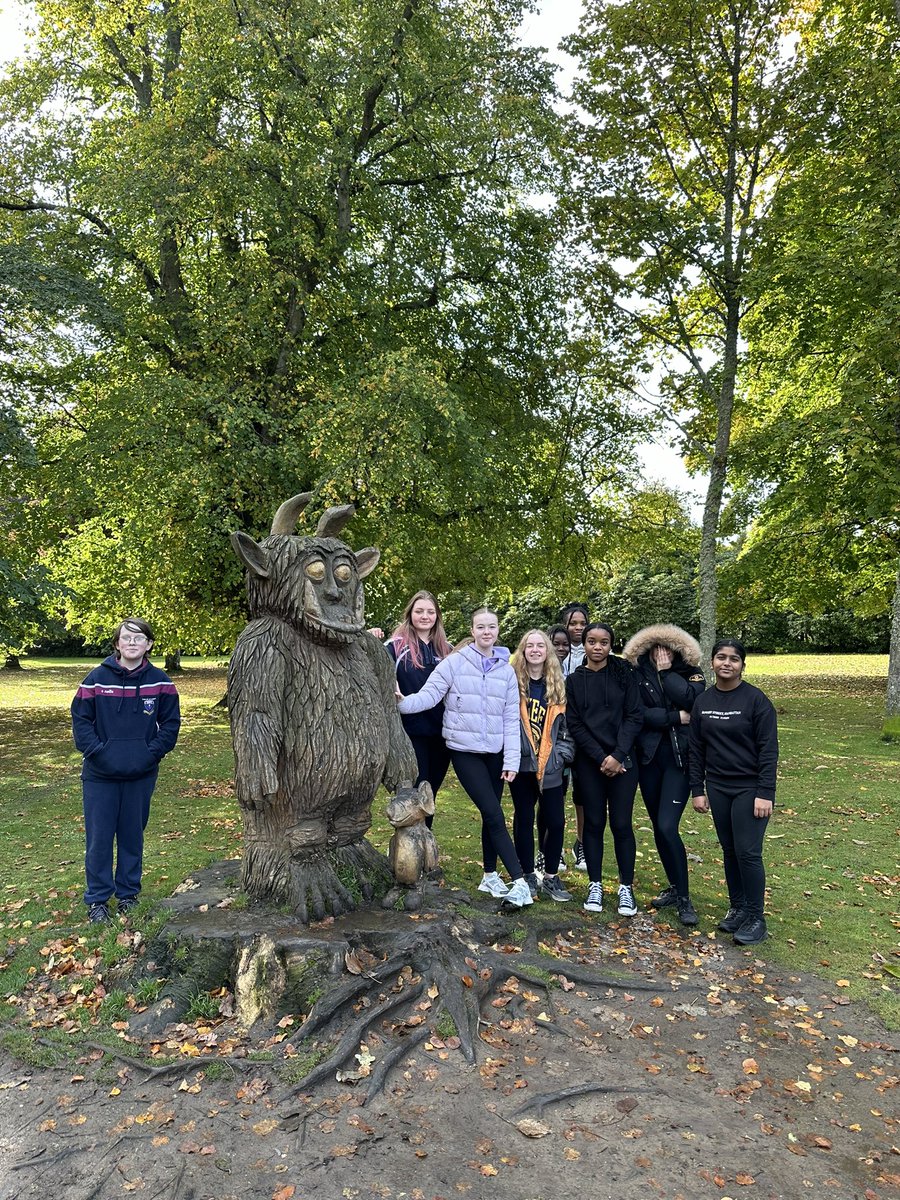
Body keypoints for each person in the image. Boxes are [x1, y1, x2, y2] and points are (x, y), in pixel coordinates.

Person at [397, 607, 532, 908]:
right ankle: (520, 882)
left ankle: (489, 875)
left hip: (496, 753)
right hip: (465, 751)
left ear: (498, 631)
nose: (486, 632)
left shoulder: (506, 670)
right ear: (472, 631)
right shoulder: (454, 664)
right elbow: (428, 696)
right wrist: (399, 703)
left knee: (491, 814)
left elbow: (511, 719)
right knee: (495, 814)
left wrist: (511, 760)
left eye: (492, 627)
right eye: (480, 627)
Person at [71, 618, 181, 924]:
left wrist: (151, 754)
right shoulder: (95, 680)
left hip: (140, 774)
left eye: (139, 638)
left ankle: (128, 895)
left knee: (133, 836)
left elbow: (171, 724)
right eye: (126, 638)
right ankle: (97, 901)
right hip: (100, 775)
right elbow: (81, 722)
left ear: (148, 645)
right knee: (99, 839)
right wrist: (99, 753)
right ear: (117, 644)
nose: (132, 643)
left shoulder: (162, 683)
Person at [689, 638, 778, 946]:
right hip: (718, 785)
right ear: (712, 662)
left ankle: (757, 918)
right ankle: (738, 907)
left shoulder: (756, 700)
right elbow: (696, 749)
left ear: (742, 665)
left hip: (750, 788)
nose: (727, 663)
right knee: (729, 851)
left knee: (748, 852)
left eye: (734, 659)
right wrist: (697, 790)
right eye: (721, 658)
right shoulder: (703, 701)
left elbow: (768, 750)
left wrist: (765, 792)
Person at [623, 623, 706, 926]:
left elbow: (693, 703)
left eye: (666, 649)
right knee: (659, 828)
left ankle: (684, 898)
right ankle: (674, 887)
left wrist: (666, 673)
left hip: (679, 761)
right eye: (655, 649)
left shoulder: (690, 673)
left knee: (668, 826)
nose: (660, 654)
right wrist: (674, 717)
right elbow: (638, 714)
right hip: (648, 760)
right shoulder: (637, 674)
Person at [565, 622, 643, 916]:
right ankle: (595, 884)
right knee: (594, 824)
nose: (598, 647)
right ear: (583, 645)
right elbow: (575, 724)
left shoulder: (624, 674)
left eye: (604, 642)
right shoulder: (574, 680)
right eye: (592, 642)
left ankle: (626, 888)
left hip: (624, 762)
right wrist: (601, 757)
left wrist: (617, 755)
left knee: (621, 824)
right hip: (590, 763)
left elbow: (634, 717)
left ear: (611, 645)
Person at [509, 630, 574, 902]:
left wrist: (559, 757)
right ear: (523, 651)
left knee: (555, 822)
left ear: (547, 651)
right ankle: (526, 875)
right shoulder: (512, 683)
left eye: (540, 645)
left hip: (551, 766)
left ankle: (550, 876)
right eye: (530, 645)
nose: (535, 650)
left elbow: (568, 731)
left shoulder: (558, 686)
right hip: (523, 765)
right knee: (523, 818)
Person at [385, 591, 454, 826]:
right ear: (410, 614)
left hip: (442, 734)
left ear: (437, 616)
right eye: (419, 611)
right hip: (411, 733)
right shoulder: (394, 647)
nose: (425, 616)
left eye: (430, 612)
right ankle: (407, 848)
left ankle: (426, 846)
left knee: (430, 793)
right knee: (415, 791)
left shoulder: (448, 650)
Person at [558, 603, 591, 870]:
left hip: (585, 734)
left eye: (582, 623)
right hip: (558, 733)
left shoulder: (595, 650)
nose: (577, 628)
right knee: (554, 791)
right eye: (573, 623)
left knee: (582, 794)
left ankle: (581, 843)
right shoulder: (553, 652)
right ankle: (551, 847)